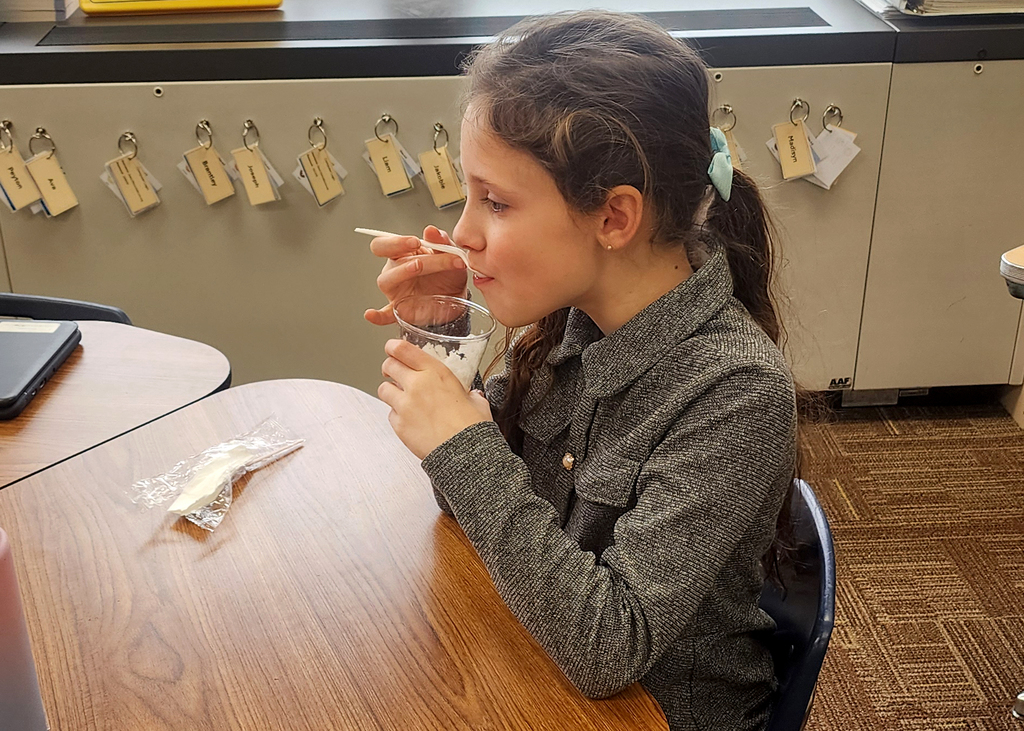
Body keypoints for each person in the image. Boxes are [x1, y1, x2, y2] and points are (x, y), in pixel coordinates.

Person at [364, 11, 800, 731]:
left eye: (496, 202)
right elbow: (469, 507)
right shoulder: (577, 318)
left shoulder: (736, 391)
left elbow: (608, 647)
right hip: (538, 664)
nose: (464, 230)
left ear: (615, 217)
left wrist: (462, 445)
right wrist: (445, 327)